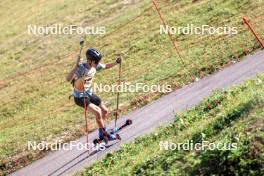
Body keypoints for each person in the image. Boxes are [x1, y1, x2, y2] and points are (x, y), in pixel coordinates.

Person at [66, 48, 121, 142]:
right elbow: (68, 79)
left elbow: (105, 66)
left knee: (105, 110)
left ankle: (102, 133)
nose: (97, 64)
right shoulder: (81, 68)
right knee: (98, 112)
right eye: (95, 62)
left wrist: (116, 62)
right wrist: (75, 66)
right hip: (80, 97)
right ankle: (105, 135)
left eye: (97, 62)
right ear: (89, 61)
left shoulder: (95, 65)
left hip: (89, 93)